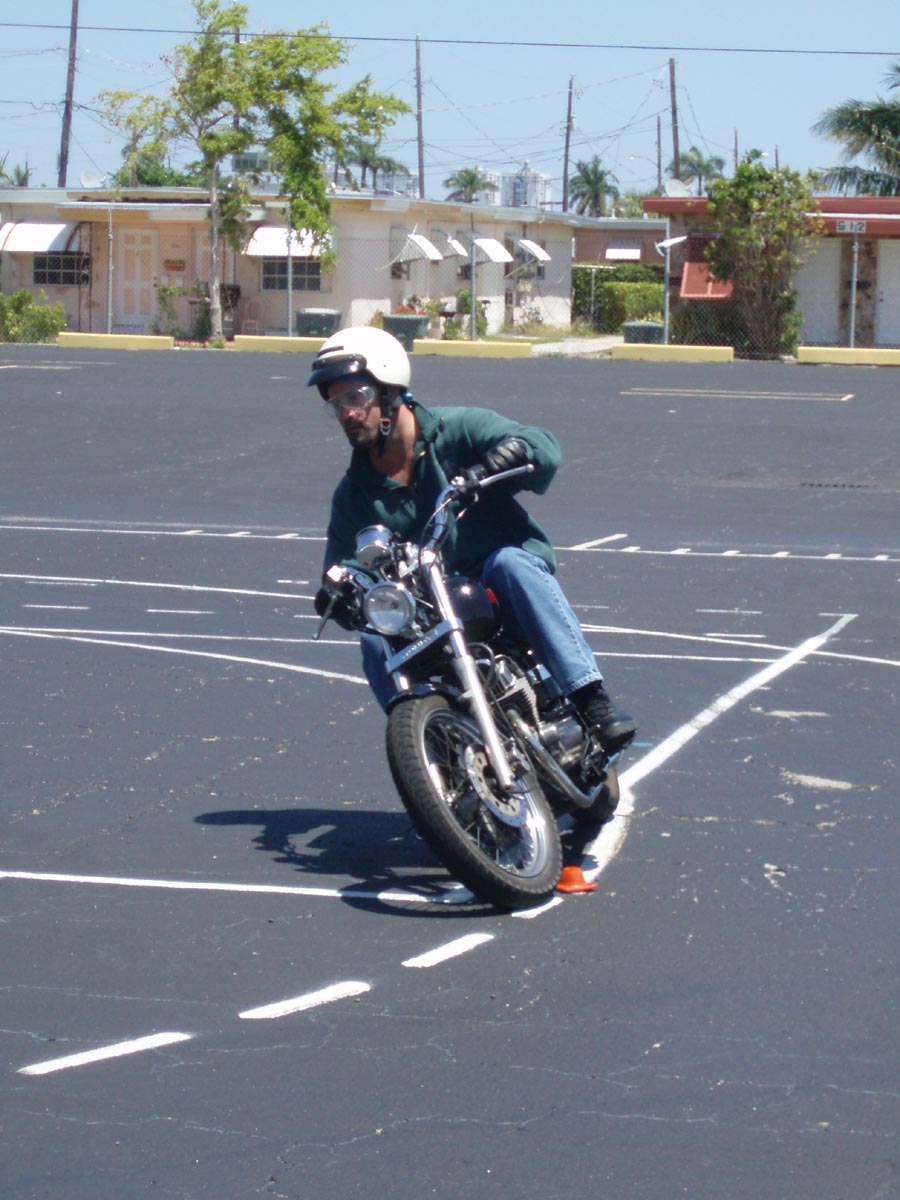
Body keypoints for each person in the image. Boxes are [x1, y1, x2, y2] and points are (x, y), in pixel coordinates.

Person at [308, 325, 636, 752]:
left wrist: (508, 455)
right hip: (428, 609)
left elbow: (543, 448)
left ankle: (591, 698)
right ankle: (427, 750)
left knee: (510, 563)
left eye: (356, 397)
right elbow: (345, 565)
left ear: (390, 391)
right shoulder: (354, 492)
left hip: (494, 587)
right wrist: (338, 591)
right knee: (374, 636)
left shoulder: (458, 430)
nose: (347, 413)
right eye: (336, 403)